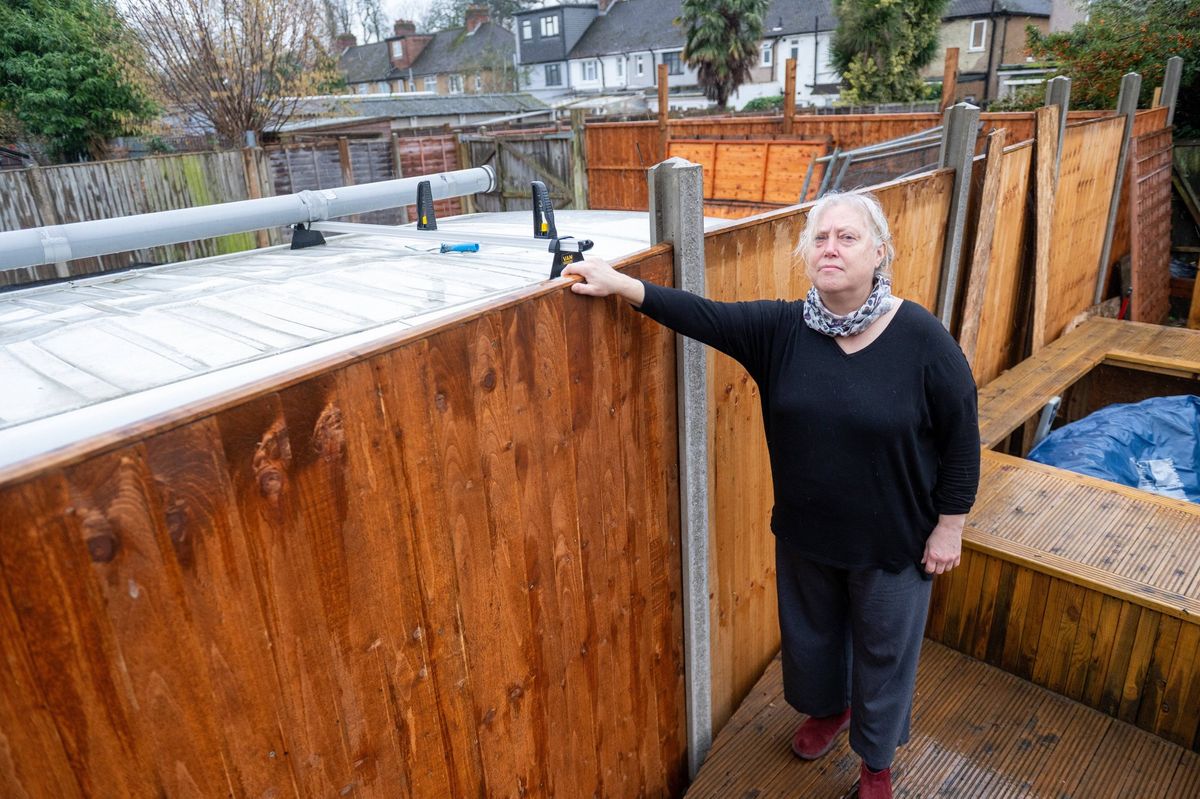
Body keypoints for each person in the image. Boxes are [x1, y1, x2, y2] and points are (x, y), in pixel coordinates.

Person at [561, 189, 980, 799]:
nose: (830, 248)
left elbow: (962, 437)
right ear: (806, 252)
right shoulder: (782, 331)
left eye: (847, 237)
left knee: (884, 655)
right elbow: (701, 315)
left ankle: (876, 763)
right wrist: (619, 283)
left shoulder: (920, 338)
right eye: (820, 238)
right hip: (808, 534)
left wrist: (951, 526)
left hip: (894, 539)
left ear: (881, 253)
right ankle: (828, 712)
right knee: (812, 638)